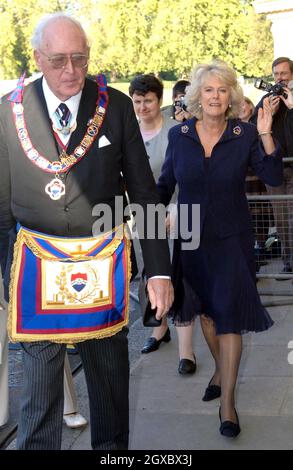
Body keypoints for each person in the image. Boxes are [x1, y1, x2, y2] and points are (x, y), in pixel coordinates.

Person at [0, 13, 173, 450]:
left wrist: (159, 271)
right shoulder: (8, 113)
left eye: (80, 58)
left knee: (111, 392)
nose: (71, 71)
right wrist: (8, 273)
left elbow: (144, 193)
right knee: (38, 403)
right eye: (58, 60)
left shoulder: (113, 105)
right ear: (38, 58)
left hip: (103, 267)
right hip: (36, 269)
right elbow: (2, 206)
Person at [157, 59, 283, 438]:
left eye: (222, 89)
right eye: (208, 89)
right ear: (198, 95)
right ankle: (219, 368)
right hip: (192, 238)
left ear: (231, 96)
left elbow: (274, 176)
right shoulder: (180, 135)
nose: (215, 96)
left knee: (227, 314)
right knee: (207, 316)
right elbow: (165, 185)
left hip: (232, 239)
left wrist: (265, 133)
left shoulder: (244, 133)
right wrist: (138, 219)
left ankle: (228, 403)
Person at [129, 75, 196, 374]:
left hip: (177, 213)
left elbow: (187, 176)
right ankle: (159, 329)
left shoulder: (176, 132)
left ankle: (187, 351)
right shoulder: (127, 133)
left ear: (160, 100)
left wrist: (175, 207)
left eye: (148, 101)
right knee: (151, 274)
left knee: (180, 276)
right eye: (137, 101)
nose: (143, 107)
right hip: (140, 217)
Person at [251, 57, 293, 278]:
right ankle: (288, 260)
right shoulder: (267, 99)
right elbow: (251, 126)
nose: (279, 78)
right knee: (281, 216)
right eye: (276, 74)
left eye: (284, 74)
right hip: (276, 169)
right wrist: (269, 113)